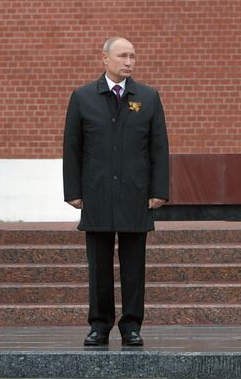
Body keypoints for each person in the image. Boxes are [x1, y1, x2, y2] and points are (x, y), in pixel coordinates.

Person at [63, 36, 169, 348]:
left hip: (136, 195)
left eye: (133, 56)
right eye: (122, 56)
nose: (128, 62)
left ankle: (132, 326)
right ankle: (99, 325)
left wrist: (159, 190)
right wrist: (73, 190)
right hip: (96, 194)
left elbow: (159, 148)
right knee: (98, 264)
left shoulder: (147, 98)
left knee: (134, 264)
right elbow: (72, 148)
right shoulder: (83, 97)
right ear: (105, 59)